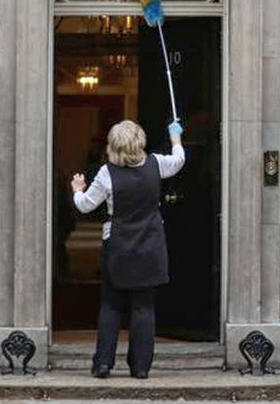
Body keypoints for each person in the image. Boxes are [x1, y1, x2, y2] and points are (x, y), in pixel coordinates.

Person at [71, 119, 185, 379]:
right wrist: (175, 137)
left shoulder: (107, 173)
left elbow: (86, 205)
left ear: (113, 145)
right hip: (151, 246)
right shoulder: (156, 164)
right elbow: (179, 160)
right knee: (144, 307)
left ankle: (103, 363)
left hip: (118, 246)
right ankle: (141, 367)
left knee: (111, 305)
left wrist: (77, 190)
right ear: (140, 141)